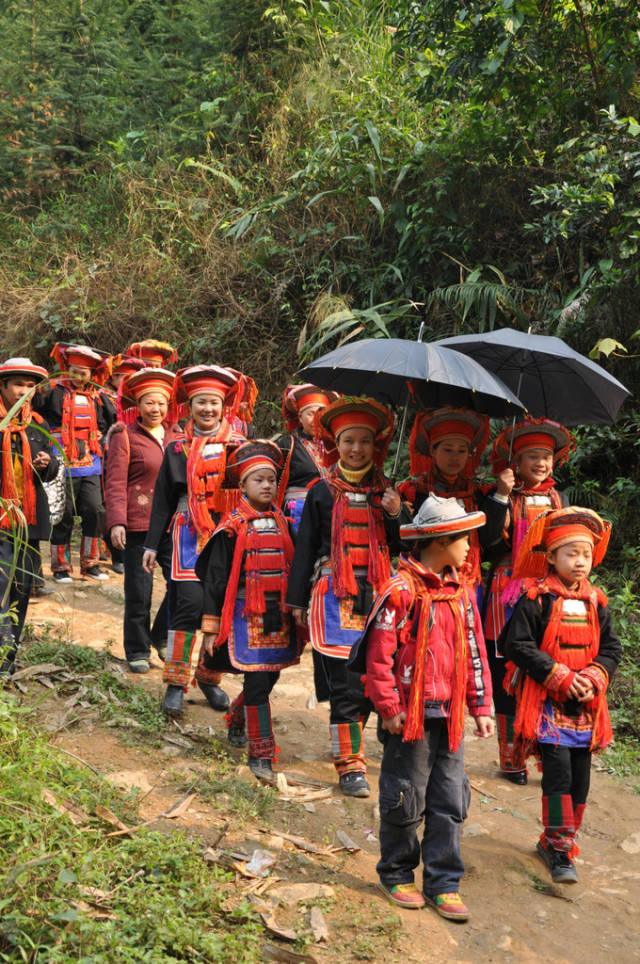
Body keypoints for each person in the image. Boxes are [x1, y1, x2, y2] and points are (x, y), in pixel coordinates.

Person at [351, 495, 493, 919]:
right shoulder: (401, 591)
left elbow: (474, 651)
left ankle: (443, 882)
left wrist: (480, 705)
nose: (469, 547)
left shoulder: (461, 593)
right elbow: (379, 655)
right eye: (464, 539)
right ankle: (396, 872)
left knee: (450, 799)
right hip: (410, 717)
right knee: (406, 795)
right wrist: (388, 706)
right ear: (441, 541)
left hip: (451, 715)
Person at [286, 396, 406, 798]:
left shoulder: (387, 493)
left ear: (376, 445)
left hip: (378, 598)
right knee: (344, 685)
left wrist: (396, 514)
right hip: (334, 597)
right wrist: (296, 601)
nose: (357, 449)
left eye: (365, 441)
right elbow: (305, 548)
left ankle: (370, 743)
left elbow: (404, 546)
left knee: (375, 677)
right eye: (349, 441)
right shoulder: (321, 492)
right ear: (335, 444)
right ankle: (350, 765)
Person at [501, 506, 621, 884]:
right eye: (572, 553)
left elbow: (612, 649)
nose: (580, 561)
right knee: (558, 774)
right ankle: (558, 846)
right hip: (547, 702)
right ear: (551, 557)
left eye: (586, 554)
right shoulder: (536, 598)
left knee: (580, 779)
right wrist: (560, 676)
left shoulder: (596, 602)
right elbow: (515, 644)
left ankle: (564, 839)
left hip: (586, 705)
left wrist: (593, 677)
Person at [142, 365, 247, 716]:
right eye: (201, 402)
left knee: (220, 609)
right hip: (188, 533)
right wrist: (151, 544)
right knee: (186, 606)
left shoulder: (239, 447)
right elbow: (162, 500)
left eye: (214, 403)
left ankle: (208, 677)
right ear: (190, 406)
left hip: (227, 536)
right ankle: (175, 683)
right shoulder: (178, 449)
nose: (208, 409)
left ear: (224, 406)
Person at [195, 440, 302, 781]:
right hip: (245, 615)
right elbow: (215, 579)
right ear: (242, 485)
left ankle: (238, 712)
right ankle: (261, 753)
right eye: (259, 480)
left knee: (270, 676)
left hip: (277, 615)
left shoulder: (284, 523)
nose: (267, 486)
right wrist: (211, 626)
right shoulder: (231, 527)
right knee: (257, 681)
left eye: (271, 480)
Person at [482, 417, 573, 784]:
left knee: (543, 670)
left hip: (546, 595)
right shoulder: (502, 495)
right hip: (506, 592)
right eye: (532, 456)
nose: (541, 463)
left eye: (546, 457)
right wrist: (501, 496)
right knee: (506, 674)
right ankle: (511, 756)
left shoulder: (559, 500)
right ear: (515, 462)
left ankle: (544, 752)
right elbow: (488, 542)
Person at [104, 368, 181, 673]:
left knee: (182, 586)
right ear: (138, 404)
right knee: (139, 592)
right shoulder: (124, 435)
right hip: (139, 523)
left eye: (161, 403)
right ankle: (137, 649)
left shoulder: (178, 435)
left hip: (173, 525)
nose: (156, 409)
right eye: (149, 402)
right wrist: (117, 521)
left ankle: (159, 635)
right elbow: (114, 482)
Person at [398, 407, 508, 587]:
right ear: (432, 450)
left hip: (469, 582)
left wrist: (502, 495)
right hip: (425, 582)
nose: (455, 457)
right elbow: (402, 542)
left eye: (462, 451)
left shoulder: (477, 494)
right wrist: (395, 512)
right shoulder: (413, 493)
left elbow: (488, 540)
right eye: (448, 449)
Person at [38, 344, 115, 582]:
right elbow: (37, 414)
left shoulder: (98, 397)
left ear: (91, 374)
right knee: (64, 513)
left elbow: (110, 421)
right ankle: (60, 566)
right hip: (60, 459)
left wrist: (102, 434)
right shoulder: (52, 390)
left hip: (90, 461)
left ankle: (91, 563)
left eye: (84, 373)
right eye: (74, 371)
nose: (78, 377)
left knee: (95, 510)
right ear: (66, 369)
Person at [0, 358, 58, 675]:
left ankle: (7, 656)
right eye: (18, 384)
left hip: (27, 520)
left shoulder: (37, 424)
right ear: (3, 386)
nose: (24, 391)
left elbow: (53, 469)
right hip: (1, 518)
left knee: (21, 588)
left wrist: (47, 463)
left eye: (30, 386)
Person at [276, 384, 338, 533]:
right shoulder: (287, 444)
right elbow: (275, 481)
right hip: (298, 513)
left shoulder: (337, 446)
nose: (316, 419)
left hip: (332, 509)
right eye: (310, 414)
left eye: (321, 413)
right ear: (300, 417)